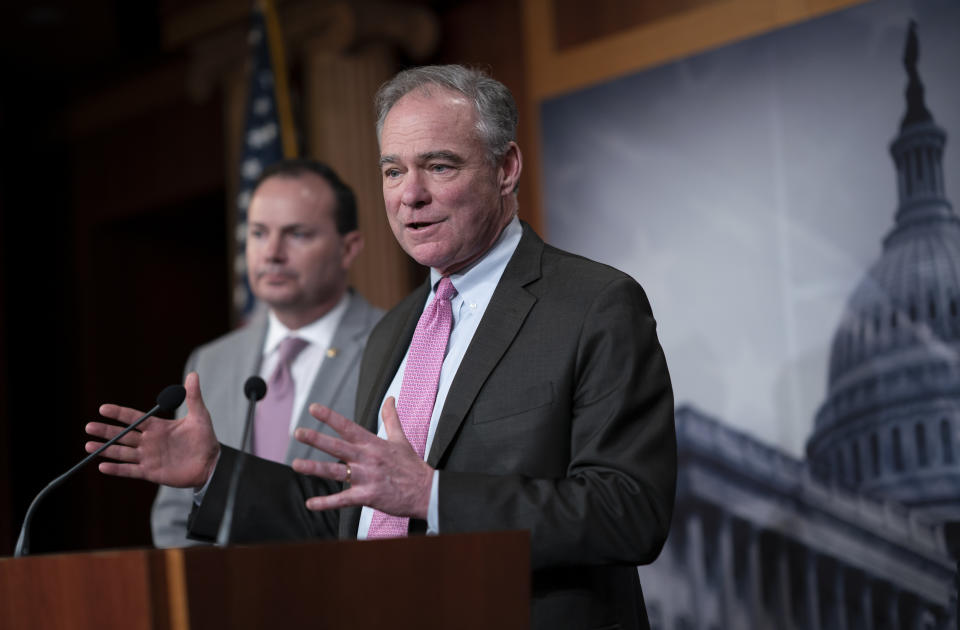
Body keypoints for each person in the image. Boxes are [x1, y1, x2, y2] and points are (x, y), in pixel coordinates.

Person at [87, 65, 676, 630]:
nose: (409, 195)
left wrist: (433, 495)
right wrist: (217, 472)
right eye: (393, 171)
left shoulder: (594, 304)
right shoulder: (396, 329)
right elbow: (353, 519)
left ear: (506, 168)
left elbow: (629, 511)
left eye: (439, 166)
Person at [150, 158, 383, 547]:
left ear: (348, 248)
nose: (272, 252)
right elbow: (174, 515)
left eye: (297, 235)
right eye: (258, 233)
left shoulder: (394, 345)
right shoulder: (210, 362)